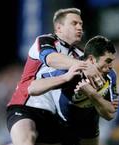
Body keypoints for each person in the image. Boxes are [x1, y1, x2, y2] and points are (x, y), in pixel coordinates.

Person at [6, 8, 101, 145]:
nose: (80, 27)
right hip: (26, 106)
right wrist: (84, 66)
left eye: (81, 24)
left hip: (56, 116)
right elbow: (51, 59)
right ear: (59, 28)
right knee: (27, 139)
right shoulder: (45, 41)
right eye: (74, 23)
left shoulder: (81, 55)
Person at [28, 35, 119, 145]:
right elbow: (32, 88)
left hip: (89, 123)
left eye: (112, 61)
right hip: (63, 123)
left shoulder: (110, 75)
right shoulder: (71, 70)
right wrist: (65, 78)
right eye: (108, 61)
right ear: (91, 59)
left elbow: (110, 114)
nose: (111, 66)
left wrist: (92, 94)